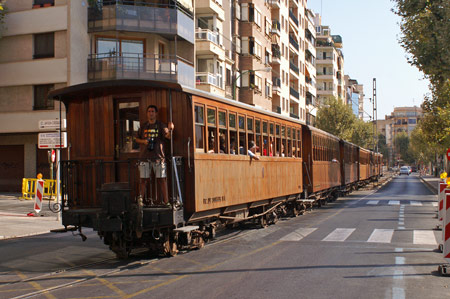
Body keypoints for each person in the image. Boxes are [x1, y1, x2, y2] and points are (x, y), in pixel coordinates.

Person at [135, 105, 174, 206]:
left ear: (156, 113)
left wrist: (170, 129)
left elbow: (168, 137)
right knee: (143, 180)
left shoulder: (161, 125)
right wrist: (144, 141)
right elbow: (136, 139)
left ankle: (166, 202)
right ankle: (140, 202)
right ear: (147, 113)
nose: (150, 113)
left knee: (162, 180)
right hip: (144, 157)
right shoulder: (143, 126)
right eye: (149, 111)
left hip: (158, 158)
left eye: (152, 111)